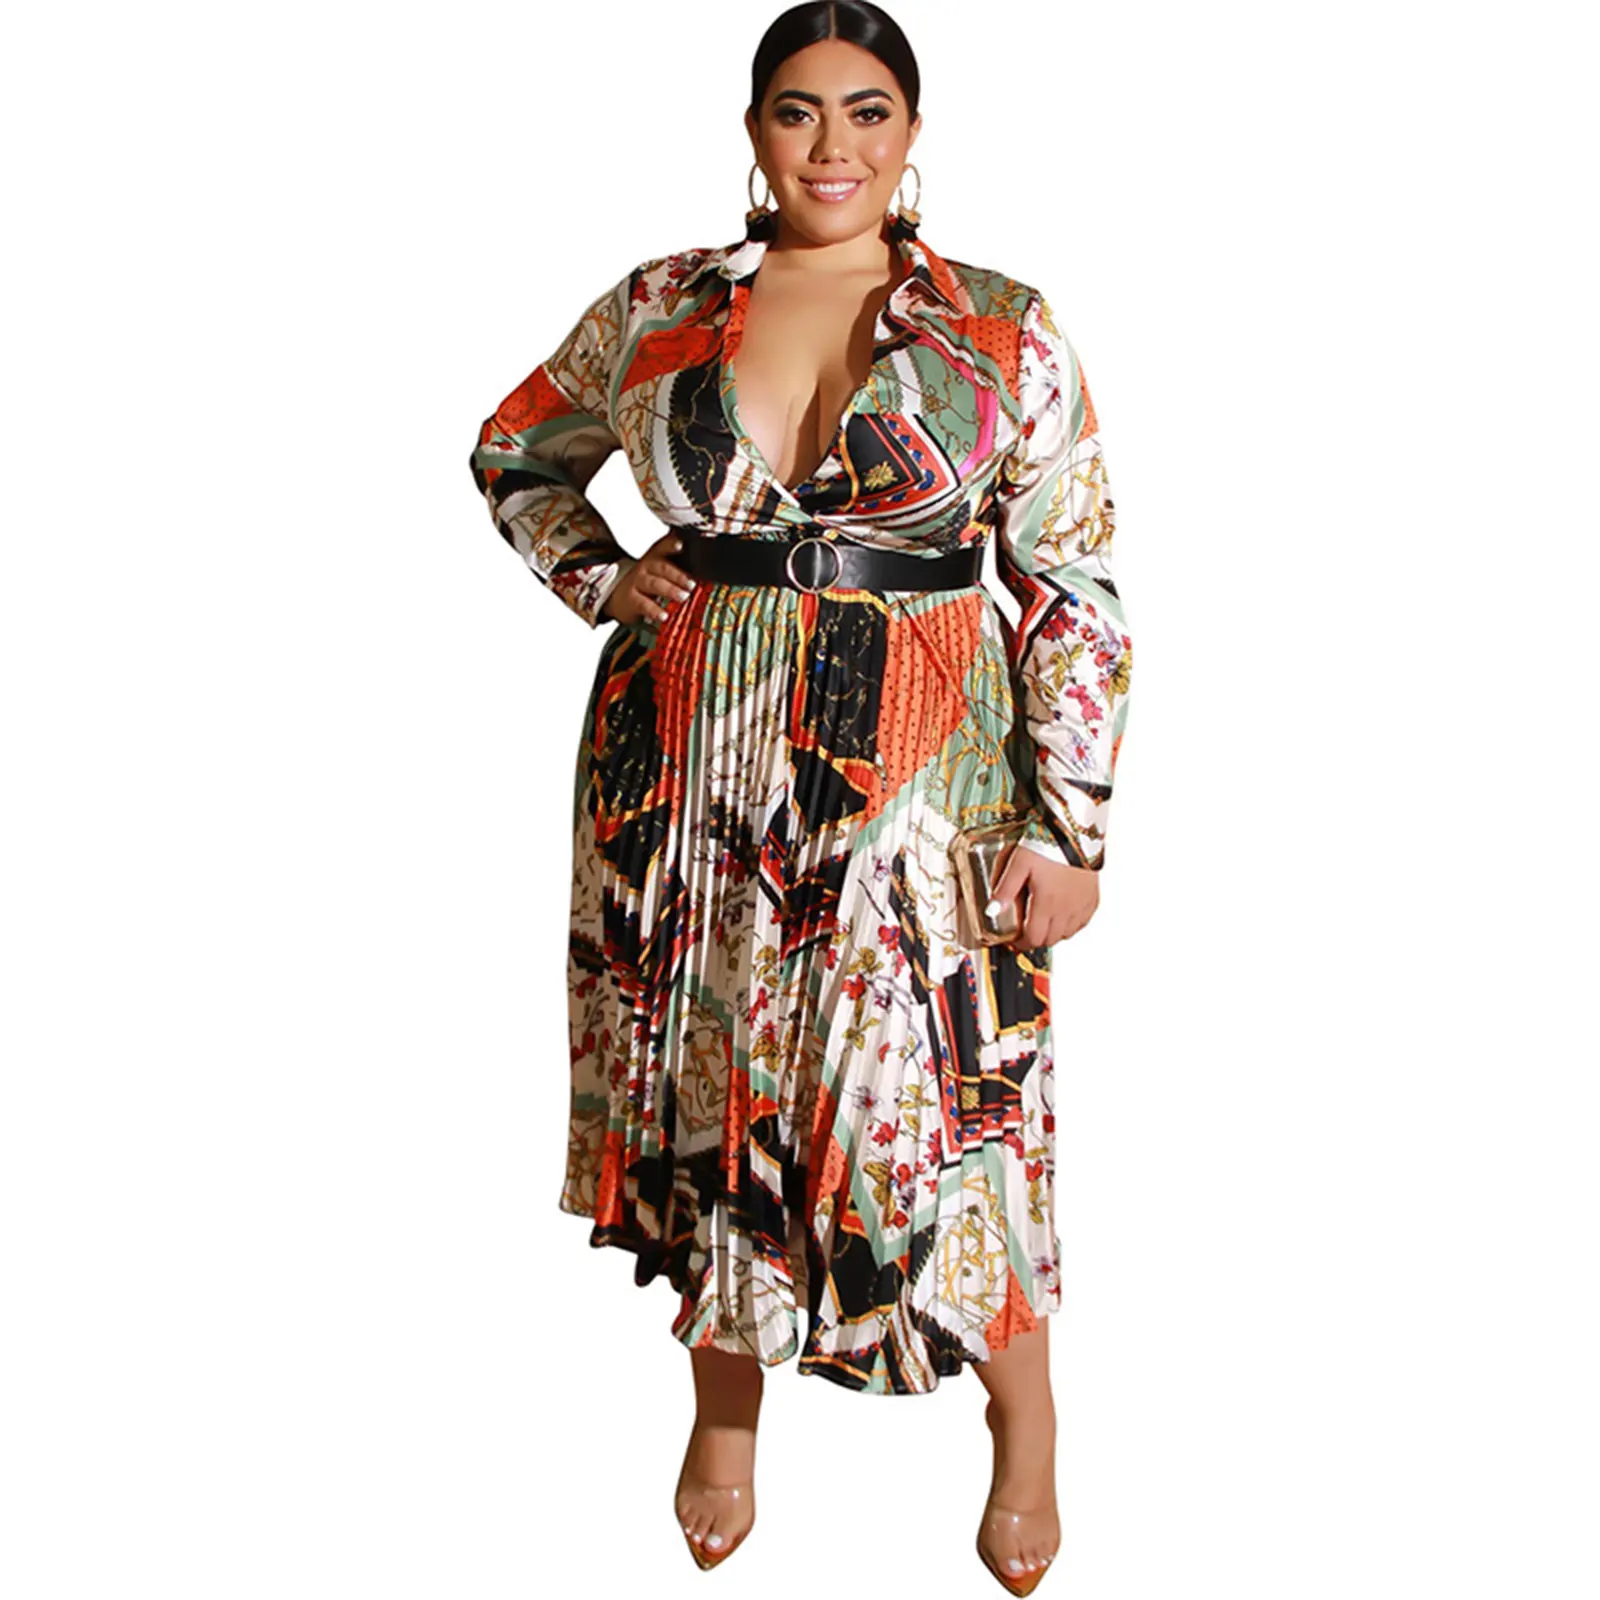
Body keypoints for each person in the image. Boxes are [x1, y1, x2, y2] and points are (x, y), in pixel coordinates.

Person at [466, 3, 1130, 1590]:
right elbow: (514, 452)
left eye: (867, 110)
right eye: (798, 111)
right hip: (687, 770)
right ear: (754, 130)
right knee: (720, 1088)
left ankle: (1028, 1428)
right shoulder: (661, 306)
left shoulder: (1001, 326)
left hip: (926, 781)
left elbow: (1072, 581)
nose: (833, 146)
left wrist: (1072, 826)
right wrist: (599, 576)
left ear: (914, 133)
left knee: (949, 1107)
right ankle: (724, 1420)